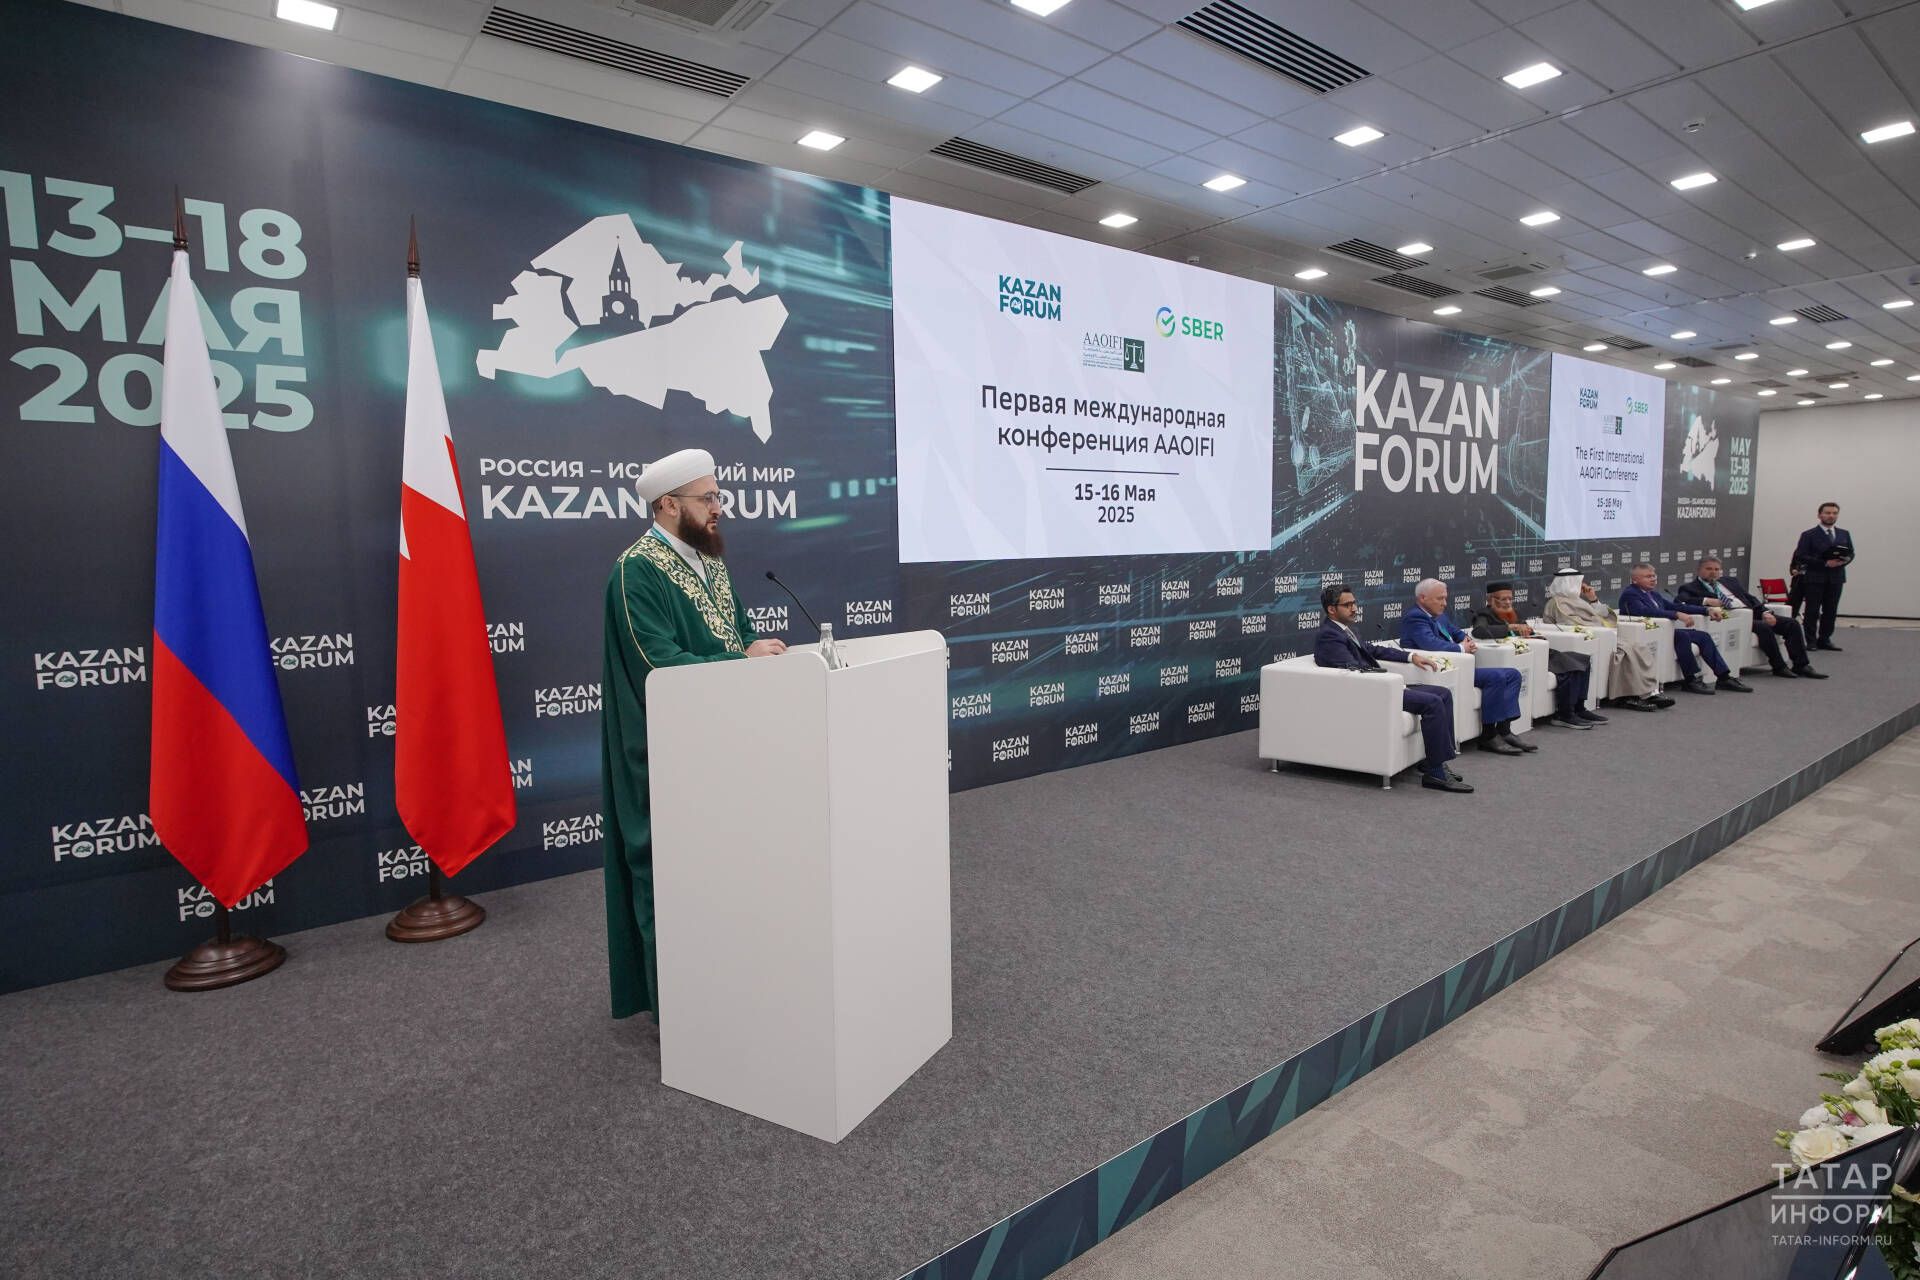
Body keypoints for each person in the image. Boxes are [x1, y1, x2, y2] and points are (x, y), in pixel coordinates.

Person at [601, 448, 788, 1021]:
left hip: (727, 747)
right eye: (707, 498)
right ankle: (681, 1018)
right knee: (672, 881)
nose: (718, 508)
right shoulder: (636, 571)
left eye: (718, 496)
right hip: (668, 758)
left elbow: (742, 633)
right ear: (667, 504)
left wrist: (755, 650)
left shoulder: (712, 562)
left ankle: (734, 990)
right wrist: (742, 658)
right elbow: (658, 665)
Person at [1315, 584, 1472, 793]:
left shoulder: (1347, 629)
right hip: (1371, 691)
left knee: (1443, 693)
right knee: (1432, 703)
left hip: (1382, 685)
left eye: (1354, 603)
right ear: (1331, 609)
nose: (1354, 608)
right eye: (1347, 605)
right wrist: (1393, 681)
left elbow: (1372, 650)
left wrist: (1410, 656)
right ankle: (1436, 773)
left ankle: (1435, 761)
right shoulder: (1329, 635)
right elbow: (1352, 669)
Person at [1399, 579, 1538, 752]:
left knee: (1513, 675)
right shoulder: (1415, 617)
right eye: (1440, 599)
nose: (1444, 603)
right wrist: (1461, 648)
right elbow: (1431, 644)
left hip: (1460, 667)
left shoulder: (1439, 615)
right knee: (1496, 677)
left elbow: (1457, 633)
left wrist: (1467, 642)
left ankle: (1504, 730)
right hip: (1438, 671)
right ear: (1422, 598)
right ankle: (1488, 736)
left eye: (1445, 598)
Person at [1471, 581, 1605, 727]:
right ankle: (1565, 714)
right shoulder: (1484, 614)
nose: (1508, 602)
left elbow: (1526, 629)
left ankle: (1580, 708)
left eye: (1510, 599)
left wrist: (1532, 633)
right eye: (1503, 599)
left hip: (1536, 649)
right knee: (1569, 668)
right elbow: (1479, 631)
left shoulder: (1513, 613)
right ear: (1490, 600)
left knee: (1582, 660)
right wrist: (1510, 627)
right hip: (1521, 655)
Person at [1676, 557, 1826, 680]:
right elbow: (1680, 600)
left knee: (1792, 624)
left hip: (1753, 612)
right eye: (1709, 569)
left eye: (1716, 569)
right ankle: (1779, 666)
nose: (1713, 573)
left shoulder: (1730, 582)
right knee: (1763, 627)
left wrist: (1766, 612)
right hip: (1734, 618)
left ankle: (1801, 665)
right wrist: (1706, 601)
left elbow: (1751, 599)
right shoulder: (1690, 587)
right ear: (1699, 570)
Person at [1541, 571, 1671, 711]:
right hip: (1594, 637)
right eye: (1579, 582)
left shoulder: (1575, 600)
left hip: (1603, 636)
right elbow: (1572, 624)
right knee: (1625, 652)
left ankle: (1647, 692)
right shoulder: (1559, 603)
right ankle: (1628, 697)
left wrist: (1593, 599)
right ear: (1569, 584)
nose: (1582, 585)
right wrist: (1600, 626)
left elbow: (1601, 615)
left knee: (1638, 647)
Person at [1619, 563, 1751, 695]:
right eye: (1648, 577)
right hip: (1647, 633)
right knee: (1682, 636)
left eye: (1654, 576)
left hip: (1664, 631)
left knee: (1703, 637)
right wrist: (1676, 615)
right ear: (1635, 580)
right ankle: (1690, 679)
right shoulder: (1630, 594)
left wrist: (1706, 610)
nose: (1653, 579)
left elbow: (1677, 606)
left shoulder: (1653, 594)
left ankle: (1723, 677)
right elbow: (1644, 611)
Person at [1792, 502, 1853, 651]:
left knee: (1831, 610)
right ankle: (1811, 641)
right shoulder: (1808, 535)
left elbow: (1851, 553)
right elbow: (1801, 556)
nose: (1831, 516)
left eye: (1834, 513)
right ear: (1819, 515)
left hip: (1836, 577)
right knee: (1812, 610)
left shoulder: (1844, 533)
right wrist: (1824, 563)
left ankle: (1825, 639)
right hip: (1815, 577)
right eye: (1827, 513)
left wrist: (1844, 561)